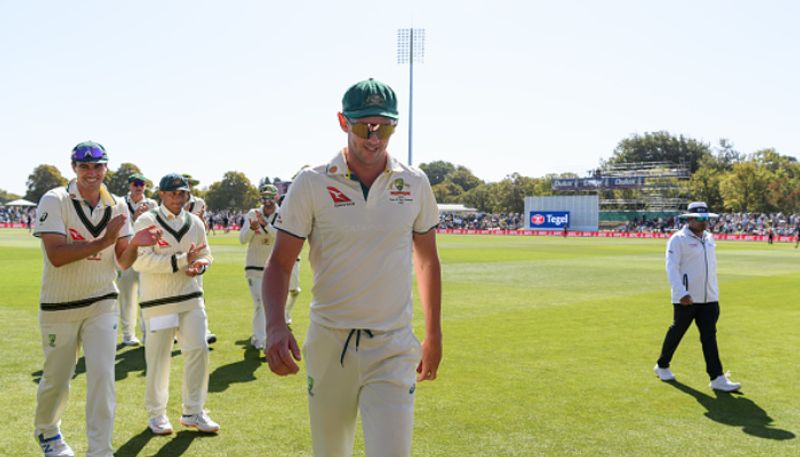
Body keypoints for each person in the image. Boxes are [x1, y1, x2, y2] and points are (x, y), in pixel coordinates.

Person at [263, 78, 442, 457]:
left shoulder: (414, 182)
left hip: (393, 346)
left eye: (386, 127)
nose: (375, 138)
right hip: (330, 344)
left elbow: (427, 261)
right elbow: (280, 263)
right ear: (343, 122)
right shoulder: (311, 183)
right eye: (365, 127)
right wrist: (276, 325)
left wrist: (434, 334)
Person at [32, 141, 160, 457]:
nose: (91, 173)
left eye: (97, 166)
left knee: (103, 378)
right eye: (84, 166)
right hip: (59, 305)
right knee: (57, 381)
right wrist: (105, 239)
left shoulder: (117, 205)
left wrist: (137, 244)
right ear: (73, 168)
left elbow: (122, 260)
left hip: (102, 301)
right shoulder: (55, 199)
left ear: (106, 168)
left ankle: (100, 450)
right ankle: (48, 431)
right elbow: (57, 255)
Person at [133, 173, 220, 435]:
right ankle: (156, 414)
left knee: (198, 350)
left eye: (182, 193)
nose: (178, 198)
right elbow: (140, 261)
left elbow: (205, 254)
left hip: (192, 298)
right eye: (172, 193)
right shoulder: (146, 220)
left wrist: (200, 265)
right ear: (161, 194)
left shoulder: (194, 222)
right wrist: (182, 261)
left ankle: (194, 411)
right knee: (159, 360)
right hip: (159, 302)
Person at [654, 201, 741, 392]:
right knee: (677, 332)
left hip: (709, 298)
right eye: (700, 219)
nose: (704, 222)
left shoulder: (709, 238)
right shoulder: (678, 239)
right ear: (690, 219)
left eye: (706, 219)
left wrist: (714, 293)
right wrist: (681, 293)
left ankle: (716, 378)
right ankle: (662, 365)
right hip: (687, 298)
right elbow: (672, 268)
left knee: (709, 337)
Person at [117, 173, 157, 346]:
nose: (139, 186)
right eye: (135, 183)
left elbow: (157, 229)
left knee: (147, 296)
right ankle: (128, 335)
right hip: (126, 256)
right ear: (129, 185)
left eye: (142, 183)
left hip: (147, 256)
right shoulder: (120, 203)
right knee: (127, 298)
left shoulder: (153, 204)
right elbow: (119, 230)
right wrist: (135, 219)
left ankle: (148, 334)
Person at [239, 184, 280, 350]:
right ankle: (262, 340)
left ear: (276, 197)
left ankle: (260, 337)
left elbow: (280, 237)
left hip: (275, 267)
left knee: (272, 305)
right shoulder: (252, 213)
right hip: (254, 267)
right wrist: (252, 228)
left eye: (270, 197)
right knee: (260, 303)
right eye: (264, 198)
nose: (267, 201)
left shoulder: (282, 213)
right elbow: (242, 239)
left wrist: (265, 225)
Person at [182, 173, 217, 344]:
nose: (186, 187)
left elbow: (204, 227)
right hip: (178, 252)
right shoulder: (170, 202)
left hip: (197, 250)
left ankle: (204, 330)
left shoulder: (199, 203)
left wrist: (202, 221)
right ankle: (176, 331)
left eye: (189, 184)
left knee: (198, 291)